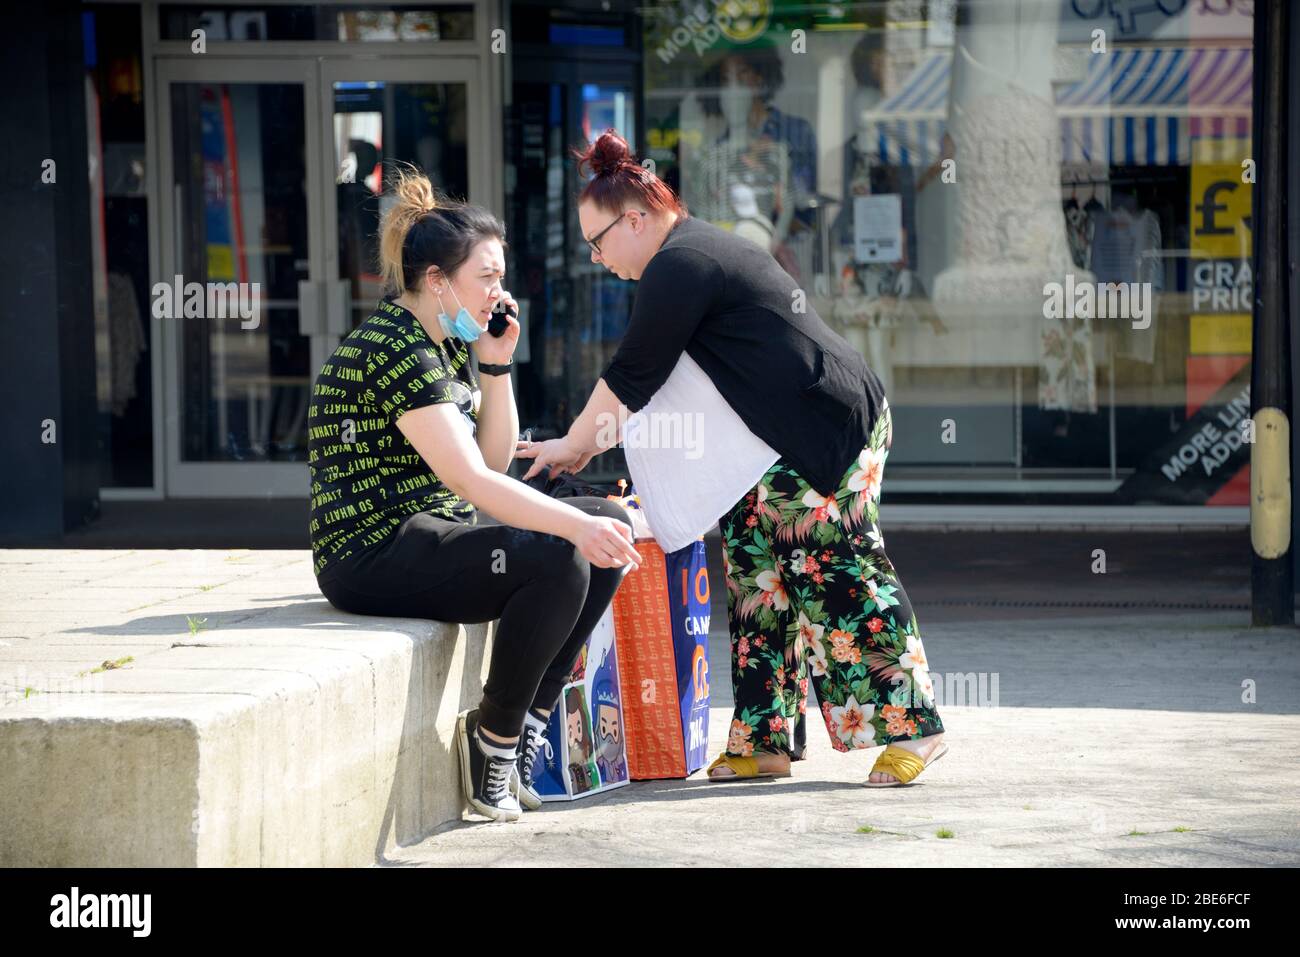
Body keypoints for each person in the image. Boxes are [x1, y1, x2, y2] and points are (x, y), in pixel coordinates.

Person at [517, 130, 948, 787]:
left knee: (837, 566)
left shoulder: (682, 262)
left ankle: (919, 726)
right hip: (767, 444)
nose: (597, 259)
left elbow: (633, 375)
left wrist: (571, 447)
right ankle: (763, 740)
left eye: (597, 243)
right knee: (757, 578)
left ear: (635, 219)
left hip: (825, 423)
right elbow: (650, 379)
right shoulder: (684, 257)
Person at [307, 163, 641, 823]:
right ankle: (494, 742)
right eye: (486, 277)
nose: (499, 292)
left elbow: (490, 461)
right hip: (372, 552)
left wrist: (496, 366)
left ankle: (526, 731)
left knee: (605, 520)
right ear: (436, 282)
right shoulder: (394, 349)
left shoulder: (445, 342)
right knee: (562, 551)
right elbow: (473, 481)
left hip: (435, 532)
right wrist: (569, 530)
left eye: (500, 277)